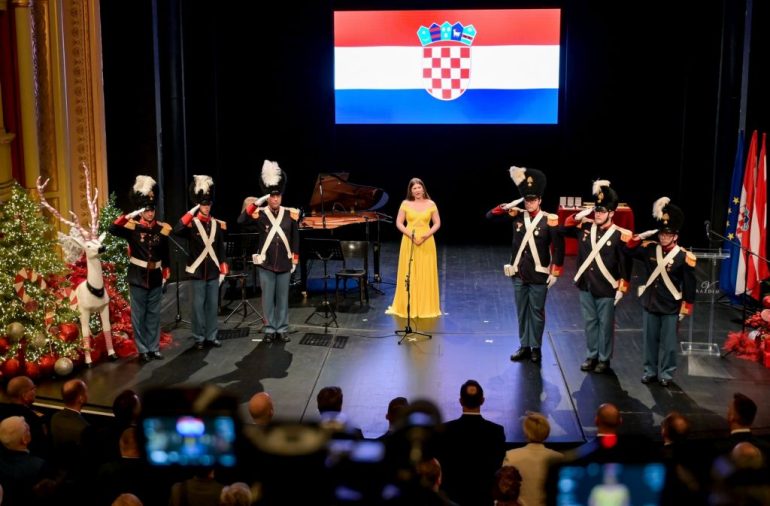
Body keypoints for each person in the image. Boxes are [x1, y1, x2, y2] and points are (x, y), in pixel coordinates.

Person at [486, 166, 564, 363]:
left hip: (539, 274)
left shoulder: (549, 220)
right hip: (519, 273)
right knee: (522, 312)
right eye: (527, 200)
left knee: (536, 313)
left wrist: (555, 271)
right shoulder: (517, 215)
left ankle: (536, 348)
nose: (529, 203)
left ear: (540, 200)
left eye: (533, 200)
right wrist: (505, 206)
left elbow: (559, 247)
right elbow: (490, 217)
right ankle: (524, 346)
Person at [562, 180, 632, 374]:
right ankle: (591, 355)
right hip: (586, 285)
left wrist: (622, 287)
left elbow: (625, 264)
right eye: (596, 211)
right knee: (590, 323)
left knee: (605, 325)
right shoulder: (585, 227)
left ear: (611, 213)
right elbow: (564, 229)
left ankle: (604, 358)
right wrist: (576, 216)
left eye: (602, 211)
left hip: (607, 287)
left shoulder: (620, 235)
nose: (598, 214)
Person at [624, 197, 696, 387]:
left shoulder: (683, 257)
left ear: (675, 236)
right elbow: (628, 251)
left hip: (670, 305)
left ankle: (666, 374)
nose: (663, 237)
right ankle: (650, 371)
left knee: (669, 345)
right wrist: (639, 237)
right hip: (650, 303)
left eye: (667, 234)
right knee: (649, 342)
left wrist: (686, 307)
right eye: (662, 234)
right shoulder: (649, 249)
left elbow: (689, 284)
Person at [108, 175, 171, 362]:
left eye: (152, 210)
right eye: (146, 210)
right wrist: (129, 215)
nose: (150, 214)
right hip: (137, 277)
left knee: (153, 315)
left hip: (155, 276)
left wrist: (166, 270)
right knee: (139, 316)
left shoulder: (161, 229)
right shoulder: (132, 228)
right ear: (141, 211)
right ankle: (142, 349)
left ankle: (153, 348)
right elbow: (113, 228)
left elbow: (165, 253)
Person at [239, 160, 299, 343]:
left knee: (282, 299)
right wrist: (257, 202)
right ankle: (269, 329)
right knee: (267, 299)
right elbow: (241, 220)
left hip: (284, 262)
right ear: (268, 197)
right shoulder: (260, 213)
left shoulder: (290, 214)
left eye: (278, 196)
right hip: (266, 263)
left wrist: (295, 259)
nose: (275, 199)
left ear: (281, 196)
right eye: (272, 196)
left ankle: (282, 328)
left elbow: (295, 238)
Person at [174, 175, 229, 350]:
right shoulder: (191, 224)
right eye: (203, 204)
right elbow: (177, 229)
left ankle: (211, 336)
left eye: (208, 204)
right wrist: (192, 211)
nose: (206, 207)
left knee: (212, 307)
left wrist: (223, 269)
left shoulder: (216, 224)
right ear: (199, 205)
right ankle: (199, 337)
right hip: (197, 272)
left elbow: (220, 249)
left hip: (212, 271)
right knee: (197, 307)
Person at [436, 379, 506, 506]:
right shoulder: (496, 432)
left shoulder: (445, 430)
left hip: (452, 498)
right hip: (484, 499)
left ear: (461, 401)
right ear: (482, 401)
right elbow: (498, 466)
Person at [386, 177, 442, 318]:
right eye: (414, 188)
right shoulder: (405, 204)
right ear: (410, 191)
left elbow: (437, 223)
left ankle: (425, 306)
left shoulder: (431, 204)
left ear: (423, 189)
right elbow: (399, 223)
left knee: (425, 272)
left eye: (419, 187)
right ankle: (408, 306)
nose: (417, 190)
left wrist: (426, 235)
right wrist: (410, 235)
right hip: (409, 240)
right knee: (409, 272)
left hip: (426, 240)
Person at [502, 411, 564, 506]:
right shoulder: (559, 459)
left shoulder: (511, 456)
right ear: (547, 432)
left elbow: (503, 491)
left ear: (526, 432)